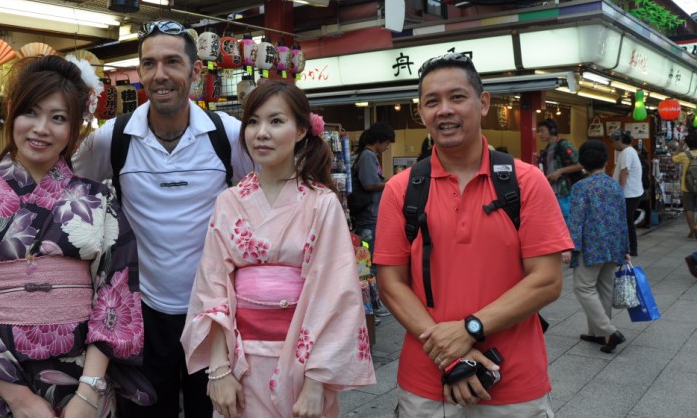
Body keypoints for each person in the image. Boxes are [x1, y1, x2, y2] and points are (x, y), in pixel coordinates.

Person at [0, 55, 153, 417]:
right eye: (30, 112)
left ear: (75, 128)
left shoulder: (98, 199)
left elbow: (117, 294)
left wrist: (88, 392)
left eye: (58, 118)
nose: (41, 128)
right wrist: (19, 399)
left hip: (84, 377)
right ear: (12, 114)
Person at [374, 53, 573, 416]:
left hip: (513, 383)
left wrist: (471, 329)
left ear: (483, 103)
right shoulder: (401, 189)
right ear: (421, 113)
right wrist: (452, 354)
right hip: (426, 384)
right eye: (432, 101)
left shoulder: (526, 182)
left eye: (457, 97)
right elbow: (390, 283)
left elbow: (546, 281)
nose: (444, 110)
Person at [73, 20, 253, 418]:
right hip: (143, 315)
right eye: (149, 64)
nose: (160, 74)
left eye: (172, 62)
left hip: (214, 317)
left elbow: (273, 190)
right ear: (139, 72)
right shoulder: (113, 137)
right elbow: (67, 190)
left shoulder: (227, 135)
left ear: (195, 72)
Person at [181, 81, 376, 417]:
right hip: (239, 360)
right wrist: (219, 370)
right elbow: (212, 290)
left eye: (276, 121)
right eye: (253, 122)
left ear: (301, 130)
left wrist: (317, 382)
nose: (261, 133)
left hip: (303, 361)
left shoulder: (322, 203)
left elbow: (336, 292)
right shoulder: (229, 202)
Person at [565, 140, 630, 354]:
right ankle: (600, 335)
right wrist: (626, 248)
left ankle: (608, 331)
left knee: (583, 288)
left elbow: (576, 220)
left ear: (582, 162)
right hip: (614, 245)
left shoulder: (581, 187)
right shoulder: (614, 185)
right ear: (606, 160)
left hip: (591, 247)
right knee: (604, 289)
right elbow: (623, 218)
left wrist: (569, 247)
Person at [350, 121, 395, 258]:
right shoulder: (368, 156)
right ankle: (370, 278)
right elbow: (369, 184)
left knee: (369, 251)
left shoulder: (369, 156)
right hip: (368, 215)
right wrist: (391, 183)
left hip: (370, 214)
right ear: (378, 140)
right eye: (386, 143)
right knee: (368, 253)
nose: (387, 147)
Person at [537, 118, 583, 220]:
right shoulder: (547, 149)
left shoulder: (563, 145)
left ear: (552, 130)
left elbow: (580, 164)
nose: (540, 134)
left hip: (565, 192)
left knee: (567, 220)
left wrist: (560, 171)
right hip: (553, 192)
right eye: (538, 131)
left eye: (542, 130)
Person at [610, 129, 644, 257]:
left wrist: (619, 190)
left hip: (628, 193)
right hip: (632, 192)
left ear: (619, 140)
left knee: (626, 221)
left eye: (613, 141)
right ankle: (629, 248)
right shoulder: (629, 151)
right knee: (626, 220)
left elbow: (625, 172)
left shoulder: (626, 152)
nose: (612, 145)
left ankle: (630, 248)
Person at [671, 130, 697, 238]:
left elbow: (673, 159)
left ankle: (692, 230)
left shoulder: (684, 155)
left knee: (689, 208)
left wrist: (680, 147)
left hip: (687, 186)